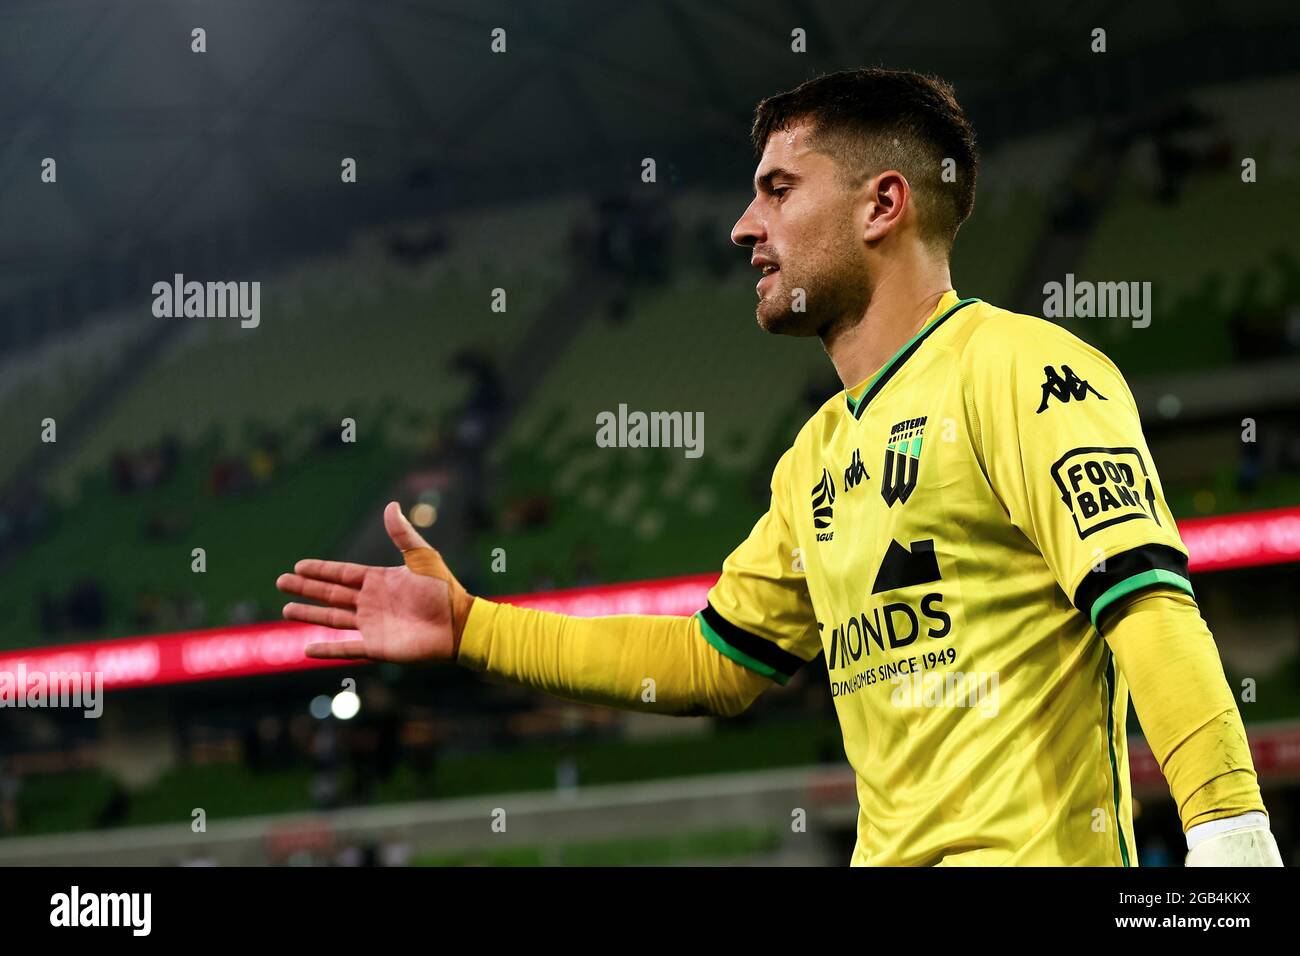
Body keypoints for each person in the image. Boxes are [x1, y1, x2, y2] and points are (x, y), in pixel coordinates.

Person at [277, 69, 1278, 867]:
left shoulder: (1027, 369)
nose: (741, 228)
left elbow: (1147, 605)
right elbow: (715, 664)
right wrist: (472, 627)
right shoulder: (815, 456)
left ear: (883, 202)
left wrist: (1232, 839)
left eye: (776, 189)